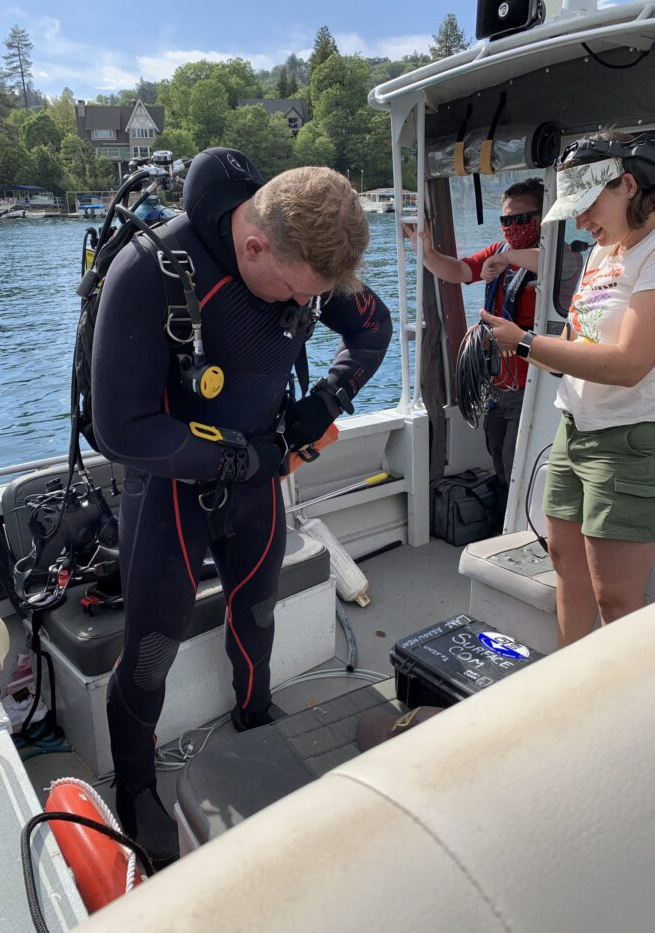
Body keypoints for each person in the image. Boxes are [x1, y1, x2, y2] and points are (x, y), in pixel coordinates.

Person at [91, 148, 392, 867]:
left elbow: (371, 331)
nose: (298, 308)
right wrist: (232, 457)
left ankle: (254, 716)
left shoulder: (305, 263)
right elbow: (120, 428)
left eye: (309, 299)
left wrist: (321, 403)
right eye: (291, 294)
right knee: (152, 648)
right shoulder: (152, 272)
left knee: (257, 616)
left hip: (258, 475)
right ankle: (137, 786)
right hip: (169, 486)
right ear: (255, 245)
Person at [480, 131, 655, 649]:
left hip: (626, 442)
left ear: (627, 185)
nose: (579, 223)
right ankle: (566, 681)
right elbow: (574, 339)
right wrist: (529, 343)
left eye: (587, 205)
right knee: (566, 568)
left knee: (617, 600)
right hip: (573, 429)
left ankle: (624, 715)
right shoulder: (602, 253)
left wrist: (527, 343)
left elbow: (629, 365)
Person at [404, 179, 545, 512]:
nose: (512, 227)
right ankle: (508, 524)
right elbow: (457, 270)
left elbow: (551, 262)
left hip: (533, 388)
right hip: (499, 386)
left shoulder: (556, 254)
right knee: (498, 455)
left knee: (517, 463)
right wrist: (426, 253)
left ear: (542, 218)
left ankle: (525, 531)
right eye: (506, 221)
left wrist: (509, 257)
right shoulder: (496, 253)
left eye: (521, 219)